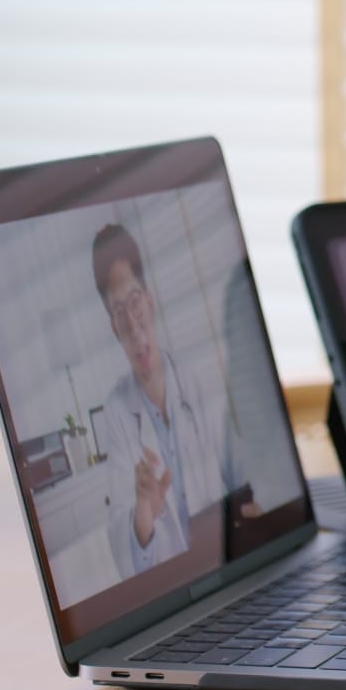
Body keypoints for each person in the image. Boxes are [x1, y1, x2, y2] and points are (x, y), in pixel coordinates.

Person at [88, 222, 243, 580]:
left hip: (227, 567)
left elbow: (241, 473)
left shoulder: (196, 380)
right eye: (118, 311)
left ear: (150, 301)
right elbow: (125, 545)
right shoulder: (117, 411)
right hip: (174, 586)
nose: (132, 322)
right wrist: (144, 509)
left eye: (134, 301)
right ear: (113, 327)